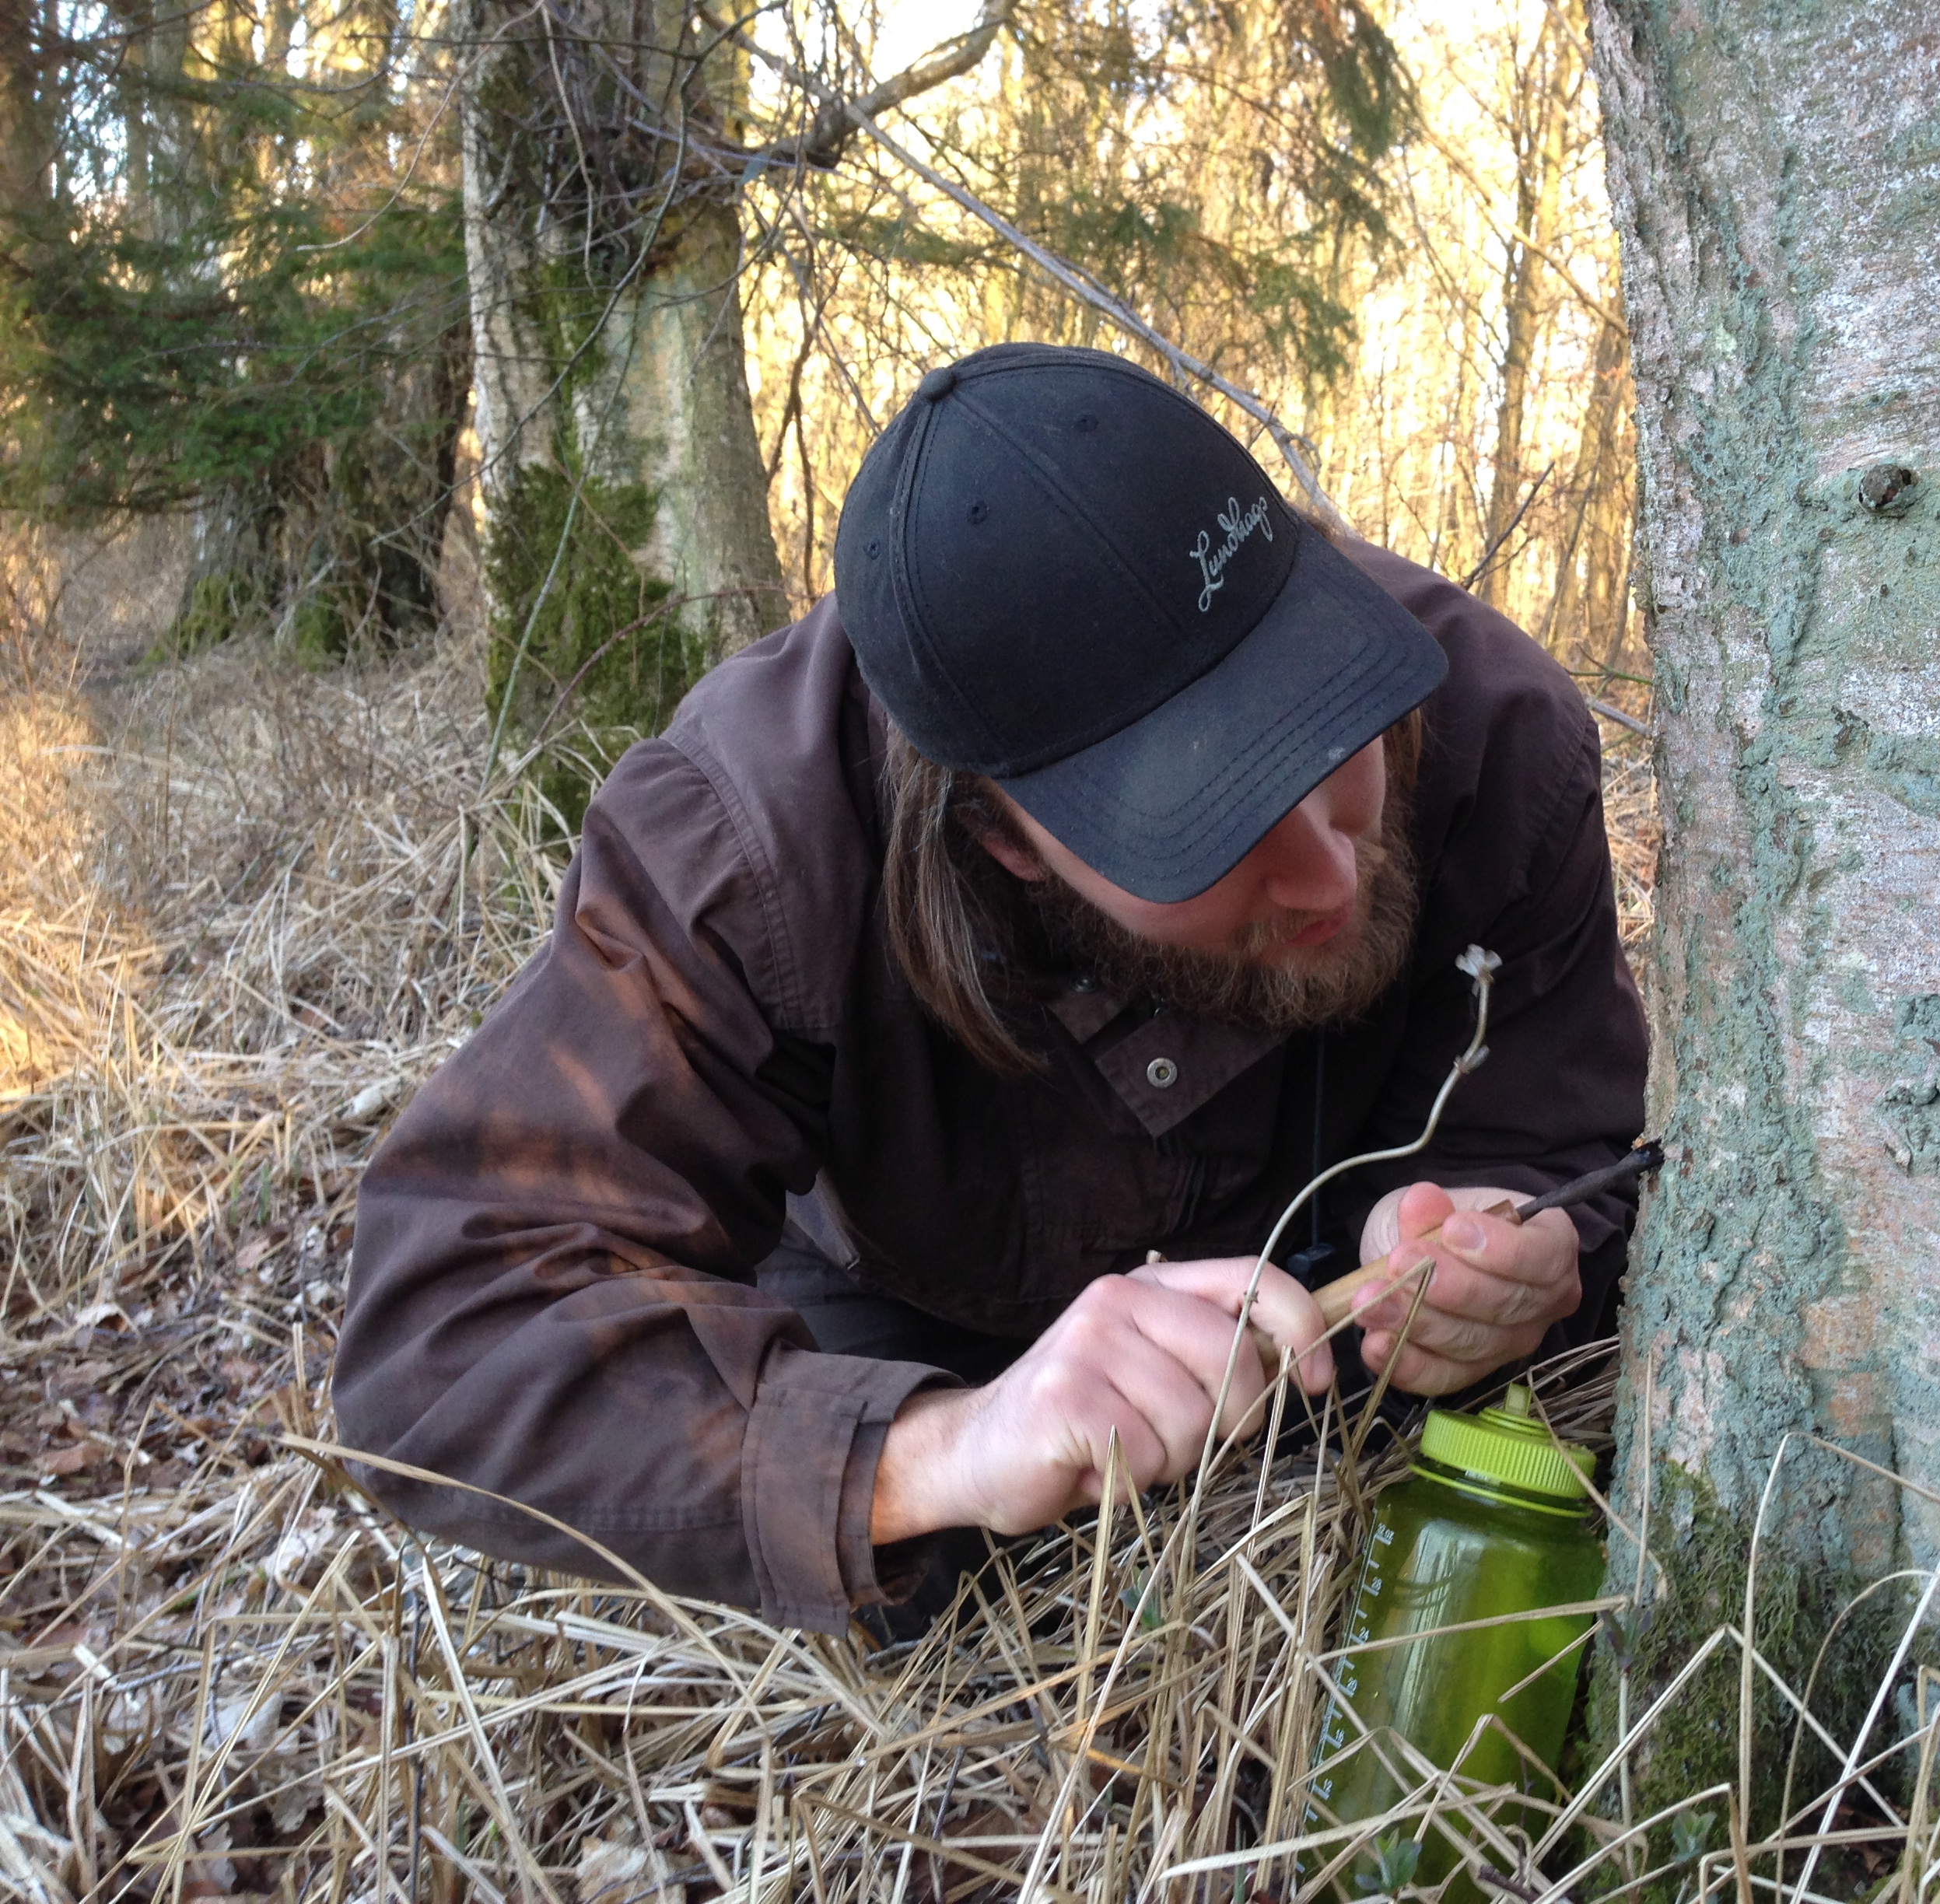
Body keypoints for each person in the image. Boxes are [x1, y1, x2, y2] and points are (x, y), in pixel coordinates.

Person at [336, 343, 1647, 1634]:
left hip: (1328, 1334)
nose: (1329, 876)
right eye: (1212, 826)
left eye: (1334, 737)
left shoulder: (1493, 728)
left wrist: (1525, 1253)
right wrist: (939, 1449)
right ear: (1004, 835)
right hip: (922, 1312)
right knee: (947, 1623)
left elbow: (1556, 1145)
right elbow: (444, 1336)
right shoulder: (750, 842)